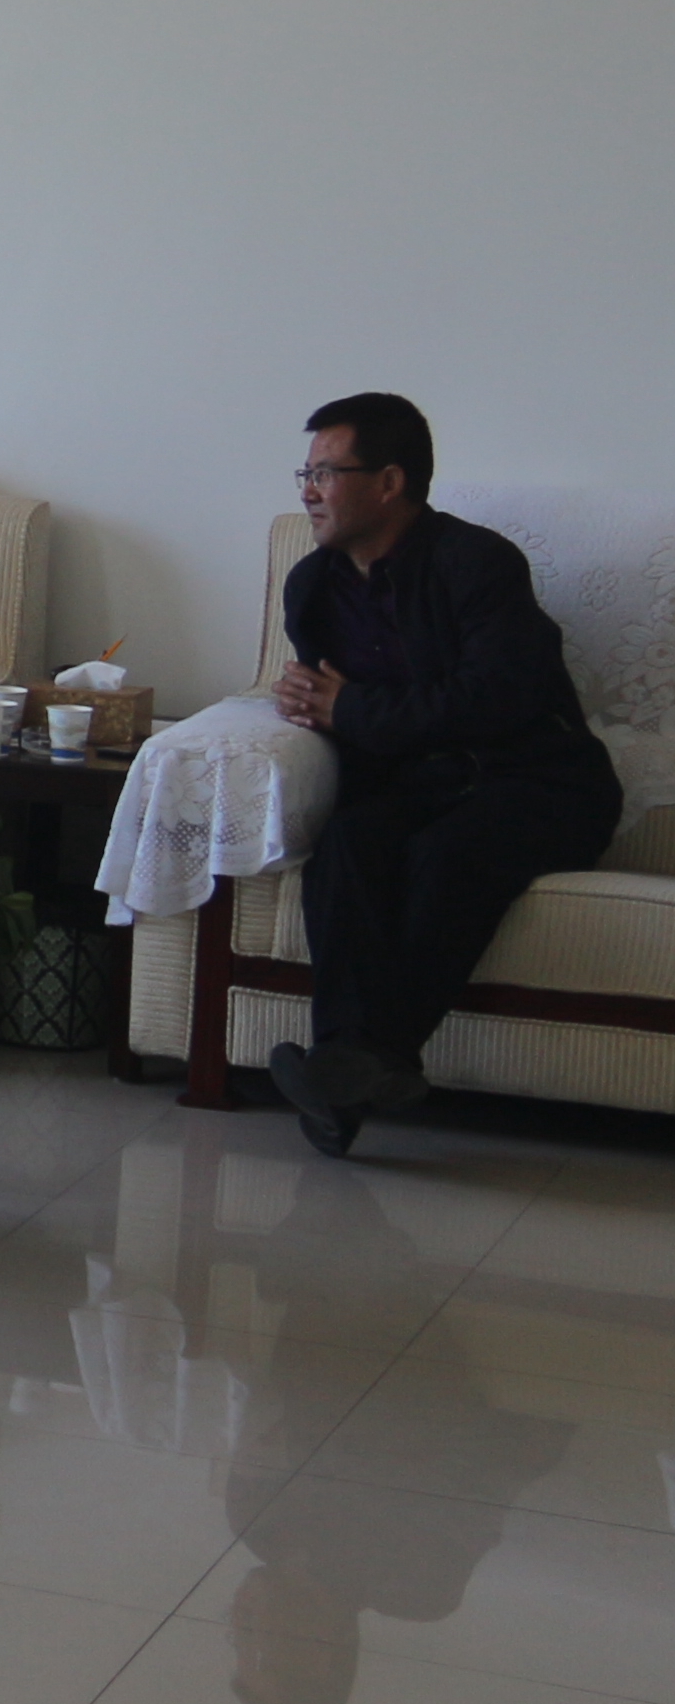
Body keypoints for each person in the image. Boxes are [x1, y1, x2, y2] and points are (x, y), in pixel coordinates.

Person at [261, 392, 624, 1156]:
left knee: (446, 854)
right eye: (305, 473)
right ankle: (352, 1069)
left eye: (325, 473)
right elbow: (331, 708)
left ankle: (349, 1069)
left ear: (388, 482)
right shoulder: (310, 587)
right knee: (348, 845)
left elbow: (495, 697)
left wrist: (352, 708)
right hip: (421, 785)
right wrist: (309, 706)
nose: (308, 491)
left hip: (540, 781)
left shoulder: (477, 563)